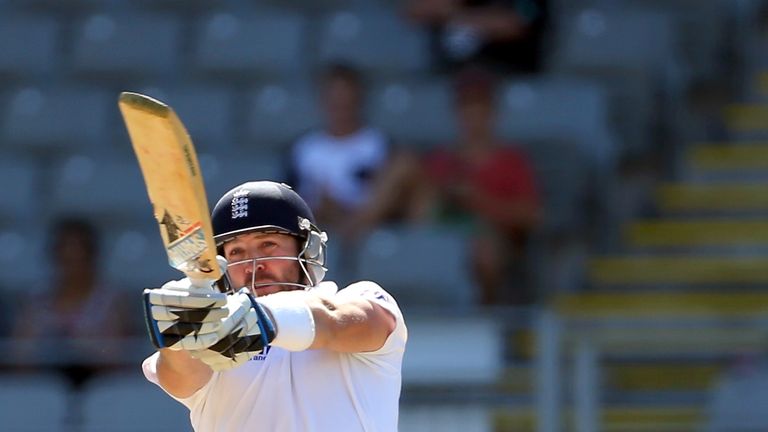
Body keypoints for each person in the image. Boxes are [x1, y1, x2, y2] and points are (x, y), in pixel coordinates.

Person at [141, 181, 407, 432]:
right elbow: (180, 379)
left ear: (307, 249)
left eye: (268, 245)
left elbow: (341, 320)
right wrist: (180, 338)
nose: (253, 264)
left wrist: (265, 319)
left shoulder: (361, 297)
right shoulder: (214, 331)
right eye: (236, 252)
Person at [410, 66, 541, 305]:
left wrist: (477, 200)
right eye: (466, 109)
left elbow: (532, 215)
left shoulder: (511, 161)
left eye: (480, 109)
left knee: (485, 250)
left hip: (497, 240)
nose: (473, 118)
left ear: (492, 113)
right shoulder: (441, 161)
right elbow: (420, 217)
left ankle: (484, 318)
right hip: (446, 233)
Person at [287, 63, 419, 244]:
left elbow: (392, 197)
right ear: (323, 101)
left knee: (405, 165)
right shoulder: (304, 148)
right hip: (322, 221)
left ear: (359, 99)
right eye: (335, 100)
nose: (341, 107)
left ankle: (353, 229)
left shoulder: (378, 143)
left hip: (371, 221)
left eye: (347, 100)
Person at [10, 217, 132, 388]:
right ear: (54, 257)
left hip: (99, 387)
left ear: (92, 257)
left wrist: (82, 347)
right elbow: (19, 359)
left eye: (79, 258)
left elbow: (117, 359)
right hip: (43, 386)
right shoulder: (35, 300)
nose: (73, 266)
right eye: (66, 258)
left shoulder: (112, 299)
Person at [406, 0, 549, 75]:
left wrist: (457, 15)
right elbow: (413, 11)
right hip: (449, 74)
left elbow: (516, 23)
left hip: (508, 72)